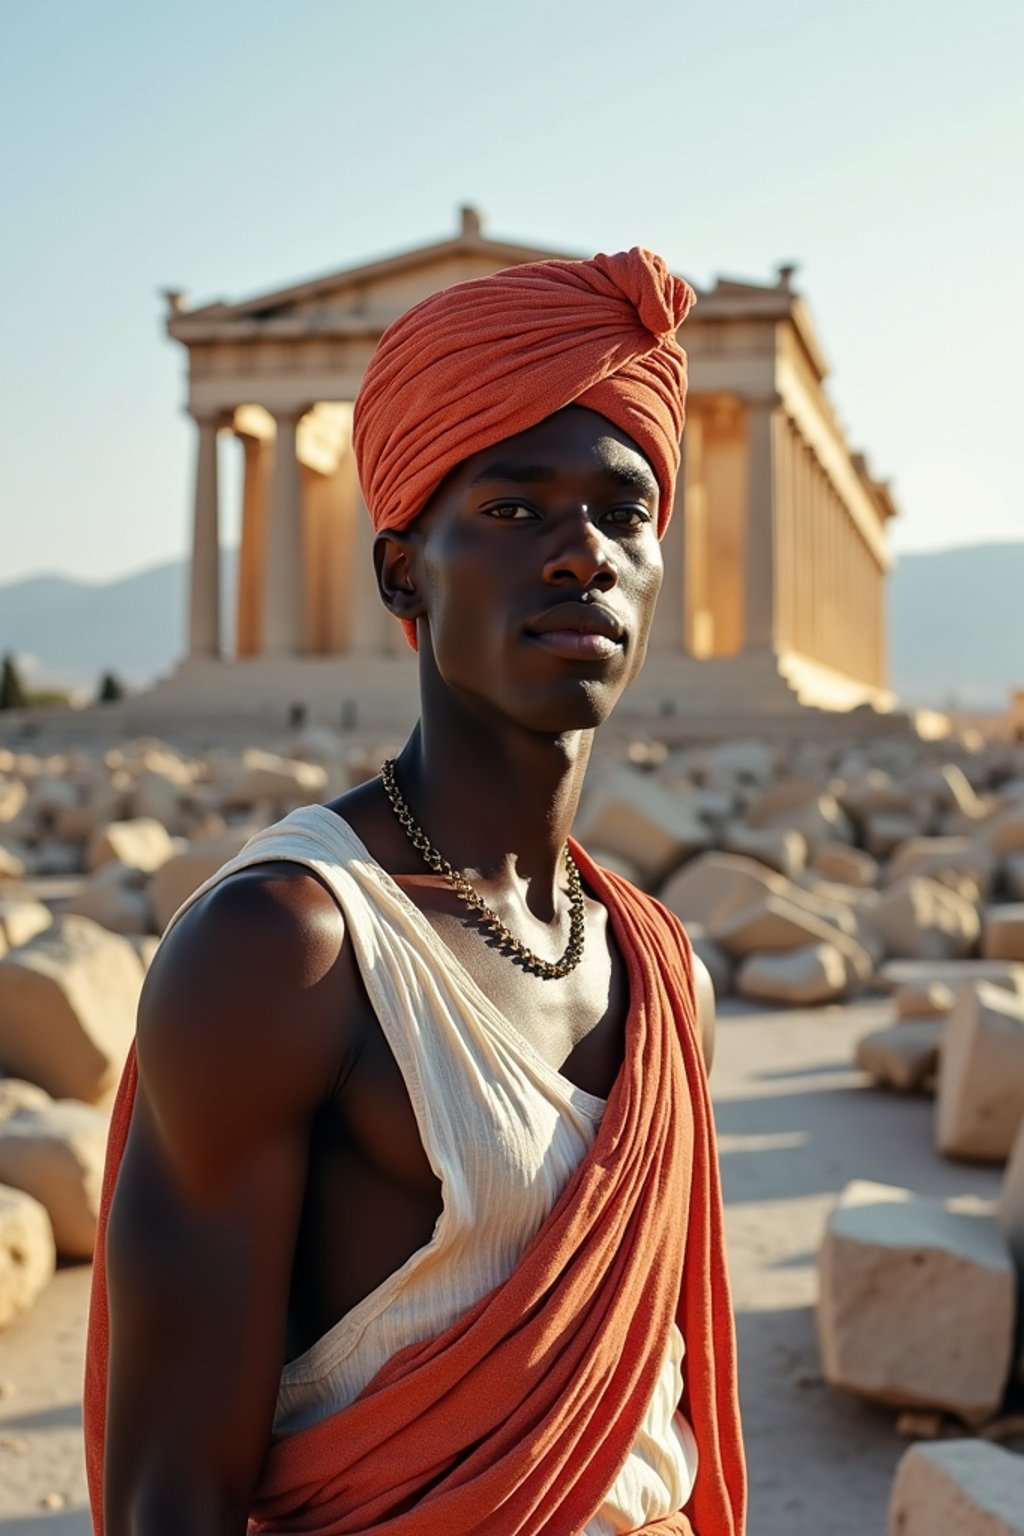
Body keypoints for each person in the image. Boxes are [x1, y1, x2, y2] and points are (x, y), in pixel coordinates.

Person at [85, 247, 746, 1535]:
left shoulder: (666, 974)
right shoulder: (282, 952)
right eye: (513, 510)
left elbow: (651, 1418)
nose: (581, 557)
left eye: (624, 512)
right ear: (401, 573)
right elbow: (174, 1494)